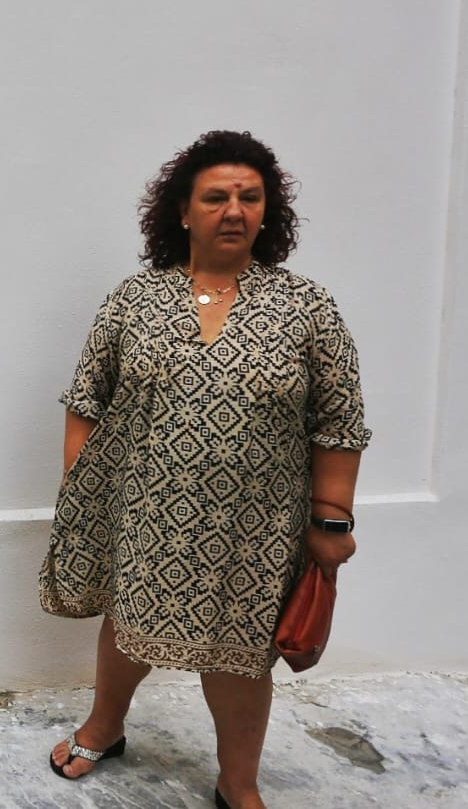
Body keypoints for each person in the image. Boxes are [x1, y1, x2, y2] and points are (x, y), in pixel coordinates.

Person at [39, 131, 370, 809]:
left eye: (250, 198)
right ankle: (105, 727)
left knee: (241, 654)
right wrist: (85, 492)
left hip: (259, 526)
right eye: (216, 196)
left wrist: (331, 520)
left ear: (267, 213)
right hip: (145, 514)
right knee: (129, 626)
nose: (234, 210)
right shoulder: (133, 300)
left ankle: (237, 782)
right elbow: (86, 401)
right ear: (183, 212)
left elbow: (339, 422)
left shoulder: (308, 307)